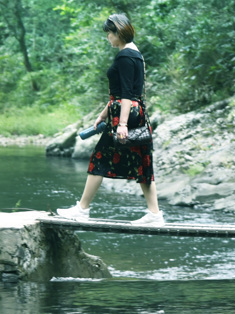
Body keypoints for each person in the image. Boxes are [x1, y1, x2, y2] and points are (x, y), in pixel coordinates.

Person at [58, 13, 163, 225]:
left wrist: (122, 124)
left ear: (119, 32)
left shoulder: (124, 56)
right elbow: (131, 92)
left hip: (124, 115)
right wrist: (102, 114)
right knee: (141, 164)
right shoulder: (137, 54)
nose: (108, 38)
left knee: (99, 159)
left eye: (109, 33)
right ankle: (155, 215)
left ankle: (82, 210)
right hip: (137, 112)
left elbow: (126, 92)